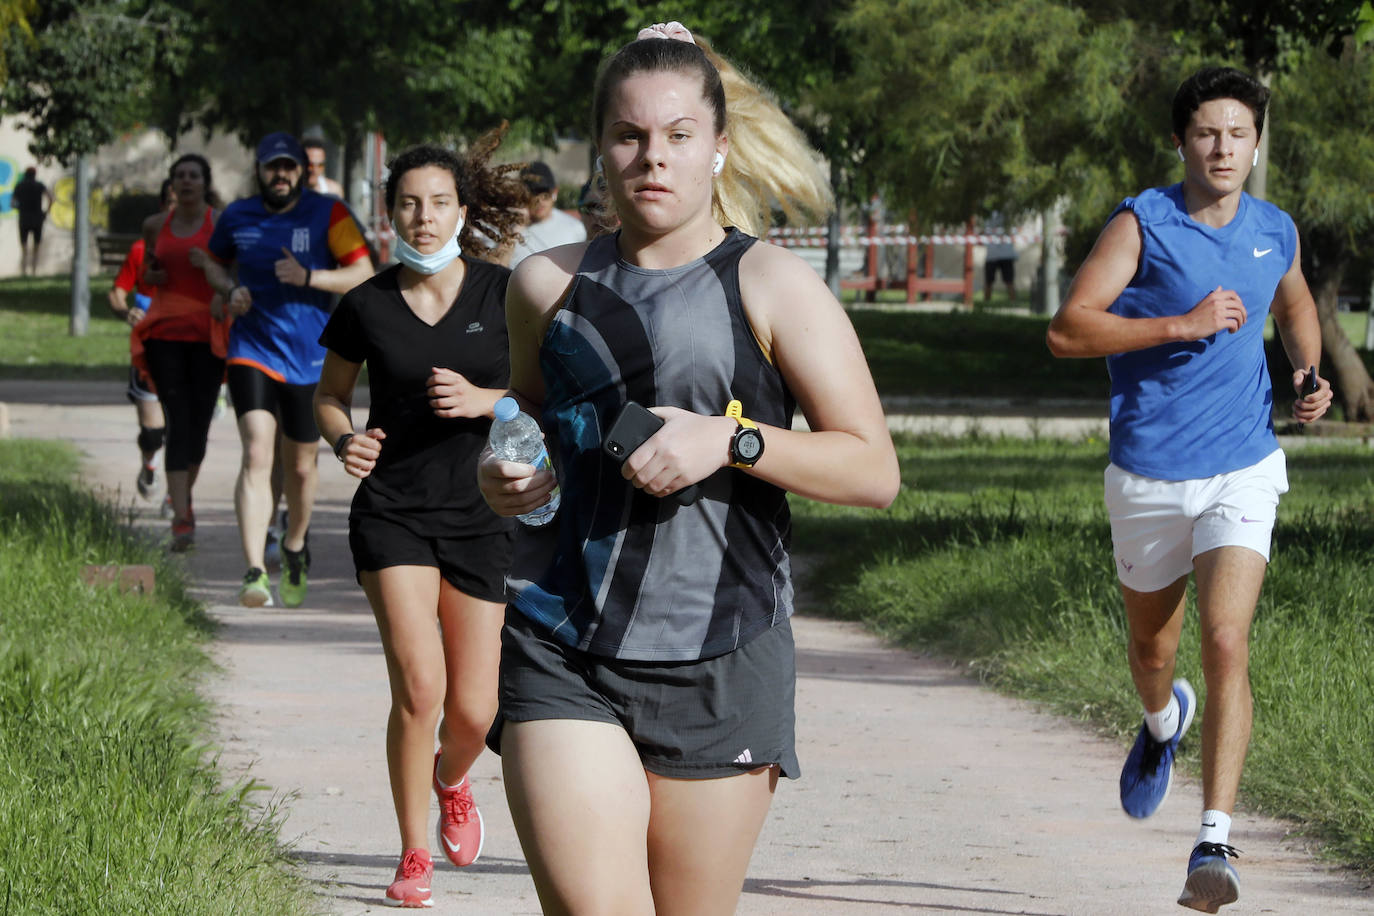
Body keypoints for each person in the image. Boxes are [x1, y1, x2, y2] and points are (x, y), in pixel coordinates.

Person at [477, 22, 899, 915]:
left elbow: (873, 471)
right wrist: (507, 470)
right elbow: (526, 414)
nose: (651, 159)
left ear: (718, 147)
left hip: (722, 648)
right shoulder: (544, 283)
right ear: (601, 148)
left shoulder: (775, 285)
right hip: (565, 642)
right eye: (629, 136)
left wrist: (732, 440)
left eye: (677, 136)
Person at [1045, 66, 1332, 913]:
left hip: (1243, 466)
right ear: (1181, 142)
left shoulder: (1273, 228)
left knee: (1227, 636)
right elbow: (1067, 330)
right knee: (1152, 654)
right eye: (1208, 133)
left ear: (1255, 143)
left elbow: (1295, 303)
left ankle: (1215, 839)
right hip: (1147, 475)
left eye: (1239, 134)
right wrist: (1181, 324)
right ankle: (1162, 720)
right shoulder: (1143, 223)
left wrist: (1308, 371)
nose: (1224, 148)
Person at [314, 131, 526, 910]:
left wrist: (485, 402)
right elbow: (328, 395)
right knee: (419, 687)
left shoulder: (505, 294)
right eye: (410, 204)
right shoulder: (364, 304)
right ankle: (410, 852)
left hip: (481, 511)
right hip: (394, 514)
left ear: (463, 211)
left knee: (476, 709)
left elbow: (546, 398)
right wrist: (345, 438)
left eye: (439, 203)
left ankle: (453, 779)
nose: (425, 217)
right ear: (391, 212)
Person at [200, 131, 373, 607]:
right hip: (251, 348)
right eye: (272, 166)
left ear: (302, 171)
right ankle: (254, 569)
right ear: (259, 170)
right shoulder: (237, 216)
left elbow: (363, 270)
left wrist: (310, 277)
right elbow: (214, 265)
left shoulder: (328, 214)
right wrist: (229, 289)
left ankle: (295, 543)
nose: (281, 174)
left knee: (299, 466)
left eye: (289, 166)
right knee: (257, 452)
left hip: (310, 357)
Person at [133, 155, 229, 552]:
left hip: (208, 332)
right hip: (166, 331)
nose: (186, 181)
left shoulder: (221, 223)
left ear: (206, 183)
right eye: (180, 176)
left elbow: (234, 273)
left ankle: (181, 495)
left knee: (201, 425)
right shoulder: (156, 225)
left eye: (194, 176)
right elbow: (148, 272)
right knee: (177, 417)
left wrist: (214, 275)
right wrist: (151, 276)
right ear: (172, 184)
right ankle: (182, 518)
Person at [108, 178, 175, 506]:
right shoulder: (140, 250)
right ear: (162, 207)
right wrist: (126, 312)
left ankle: (176, 498)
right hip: (148, 347)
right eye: (171, 202)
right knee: (153, 432)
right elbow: (117, 294)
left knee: (182, 430)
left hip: (192, 346)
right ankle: (150, 463)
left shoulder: (207, 251)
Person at [507, 160, 586, 267]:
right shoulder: (506, 228)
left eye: (544, 193)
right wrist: (515, 229)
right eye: (532, 193)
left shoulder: (575, 228)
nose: (539, 200)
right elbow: (494, 269)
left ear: (555, 192)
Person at [13, 167, 53, 276]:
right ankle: (34, 271)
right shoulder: (39, 185)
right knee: (36, 246)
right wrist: (46, 212)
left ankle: (24, 271)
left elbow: (13, 203)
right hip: (37, 219)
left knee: (24, 247)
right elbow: (50, 198)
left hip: (24, 219)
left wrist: (20, 207)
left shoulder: (19, 186)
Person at [983, 211, 1017, 303]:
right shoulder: (988, 214)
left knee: (1008, 281)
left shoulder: (1008, 215)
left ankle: (1012, 302)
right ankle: (986, 303)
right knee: (989, 282)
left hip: (1002, 254)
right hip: (994, 254)